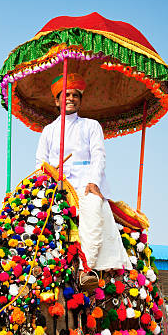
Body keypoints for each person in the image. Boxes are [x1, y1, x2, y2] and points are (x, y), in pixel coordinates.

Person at [35, 73, 131, 290]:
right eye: (66, 94)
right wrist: (49, 173)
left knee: (93, 207)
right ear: (56, 100)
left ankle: (87, 269)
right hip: (54, 183)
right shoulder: (49, 131)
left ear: (80, 100)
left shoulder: (91, 126)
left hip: (85, 182)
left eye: (75, 95)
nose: (70, 98)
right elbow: (40, 161)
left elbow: (99, 156)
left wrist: (93, 181)